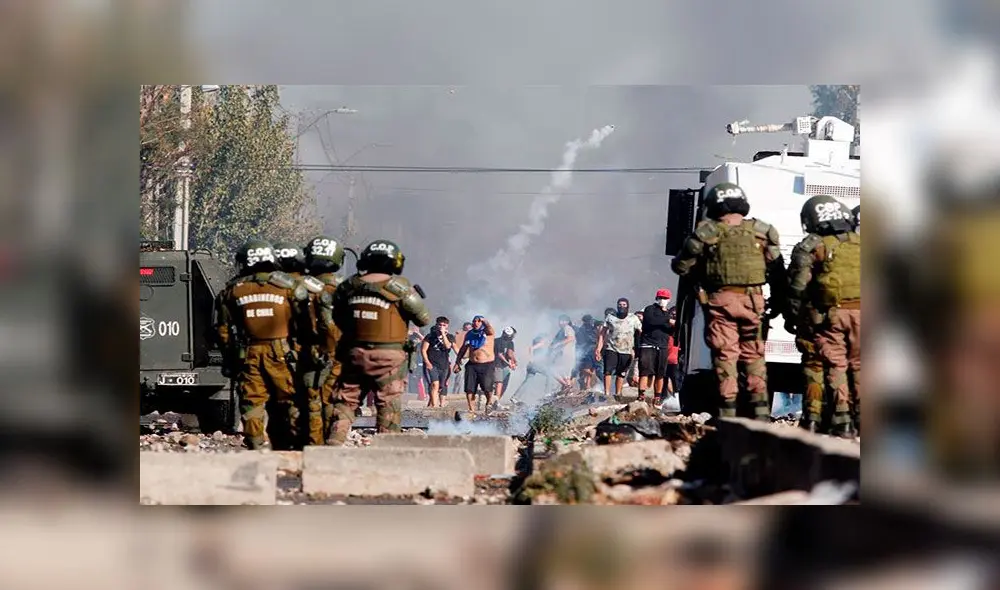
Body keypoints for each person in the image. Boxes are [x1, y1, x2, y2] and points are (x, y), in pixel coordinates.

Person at [671, 182, 787, 420]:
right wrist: (778, 302)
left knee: (726, 357)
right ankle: (761, 412)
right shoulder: (762, 231)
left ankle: (728, 413)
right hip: (753, 303)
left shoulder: (706, 233)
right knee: (754, 356)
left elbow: (681, 265)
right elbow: (777, 271)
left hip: (720, 303)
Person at [325, 239, 431, 444]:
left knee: (346, 401)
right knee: (388, 403)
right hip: (388, 357)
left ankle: (334, 441)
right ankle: (387, 447)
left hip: (354, 353)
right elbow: (423, 319)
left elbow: (337, 315)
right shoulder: (400, 289)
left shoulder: (349, 285)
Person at [215, 239, 301, 450]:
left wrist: (230, 358)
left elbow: (223, 330)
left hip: (249, 352)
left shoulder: (233, 289)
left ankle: (255, 444)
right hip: (283, 353)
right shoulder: (288, 286)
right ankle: (292, 444)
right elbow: (304, 322)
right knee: (289, 397)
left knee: (252, 400)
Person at [786, 196, 861, 438]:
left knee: (820, 367)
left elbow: (796, 287)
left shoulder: (814, 246)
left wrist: (792, 316)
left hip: (822, 318)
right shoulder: (860, 243)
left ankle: (819, 419)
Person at [300, 235, 347, 446]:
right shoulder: (344, 289)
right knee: (329, 399)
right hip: (333, 353)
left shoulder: (293, 286)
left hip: (299, 352)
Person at [595, 297, 642, 400]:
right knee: (607, 371)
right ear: (617, 306)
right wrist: (598, 348)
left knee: (621, 373)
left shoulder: (633, 318)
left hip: (626, 350)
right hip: (611, 348)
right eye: (620, 305)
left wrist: (638, 349)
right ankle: (607, 393)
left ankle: (618, 394)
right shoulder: (610, 317)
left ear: (628, 306)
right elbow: (602, 334)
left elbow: (640, 332)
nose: (622, 307)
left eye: (624, 305)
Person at [637, 289, 674, 404]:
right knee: (645, 370)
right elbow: (652, 321)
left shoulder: (668, 313)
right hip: (648, 344)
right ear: (657, 298)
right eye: (661, 298)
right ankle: (641, 394)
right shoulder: (649, 309)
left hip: (662, 345)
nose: (663, 300)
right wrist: (668, 320)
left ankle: (657, 396)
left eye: (665, 298)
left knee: (660, 373)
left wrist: (672, 325)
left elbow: (669, 329)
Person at [453, 315, 496, 412]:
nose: (476, 323)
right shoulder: (469, 334)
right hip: (472, 364)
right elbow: (463, 348)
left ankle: (489, 402)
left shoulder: (488, 333)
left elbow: (489, 327)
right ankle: (471, 409)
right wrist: (457, 362)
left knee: (487, 387)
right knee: (469, 388)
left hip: (487, 364)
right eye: (474, 321)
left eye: (478, 321)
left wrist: (485, 321)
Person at [421, 316, 453, 408]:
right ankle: (434, 406)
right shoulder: (430, 336)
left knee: (441, 386)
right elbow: (423, 350)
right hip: (432, 364)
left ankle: (434, 404)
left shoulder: (450, 337)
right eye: (440, 324)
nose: (441, 326)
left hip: (444, 365)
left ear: (447, 326)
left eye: (444, 325)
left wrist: (443, 334)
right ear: (436, 325)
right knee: (435, 384)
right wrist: (427, 362)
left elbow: (447, 346)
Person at [548, 314, 577, 392]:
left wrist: (558, 344)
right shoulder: (563, 329)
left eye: (562, 320)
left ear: (567, 322)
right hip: (563, 355)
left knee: (555, 371)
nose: (560, 322)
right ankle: (566, 388)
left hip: (567, 354)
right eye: (559, 320)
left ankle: (567, 386)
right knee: (564, 373)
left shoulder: (567, 328)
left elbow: (571, 338)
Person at [575, 314, 600, 391]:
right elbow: (582, 341)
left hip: (592, 350)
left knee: (591, 368)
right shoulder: (583, 329)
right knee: (586, 368)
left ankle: (588, 385)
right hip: (586, 351)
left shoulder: (592, 328)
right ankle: (591, 380)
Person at [493, 326, 518, 403]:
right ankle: (495, 402)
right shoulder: (497, 341)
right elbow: (500, 355)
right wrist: (510, 363)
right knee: (499, 383)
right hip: (497, 364)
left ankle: (496, 400)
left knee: (503, 384)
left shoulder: (509, 342)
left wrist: (514, 361)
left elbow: (510, 354)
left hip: (504, 366)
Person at [451, 321, 473, 397]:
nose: (468, 330)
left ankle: (466, 393)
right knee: (459, 376)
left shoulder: (474, 336)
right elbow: (455, 346)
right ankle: (456, 393)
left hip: (470, 358)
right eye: (466, 328)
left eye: (469, 328)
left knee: (469, 377)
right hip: (461, 358)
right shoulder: (458, 335)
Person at [665, 304, 681, 395]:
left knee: (676, 379)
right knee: (664, 380)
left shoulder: (681, 327)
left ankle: (677, 396)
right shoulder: (665, 327)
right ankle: (662, 398)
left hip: (676, 359)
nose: (674, 316)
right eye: (672, 314)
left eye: (676, 314)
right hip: (665, 358)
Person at [406, 325, 426, 396]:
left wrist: (418, 333)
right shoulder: (410, 336)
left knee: (419, 375)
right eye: (413, 327)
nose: (414, 329)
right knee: (410, 375)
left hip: (419, 358)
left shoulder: (421, 334)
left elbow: (425, 341)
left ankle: (421, 393)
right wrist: (408, 333)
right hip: (410, 358)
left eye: (416, 327)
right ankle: (411, 392)